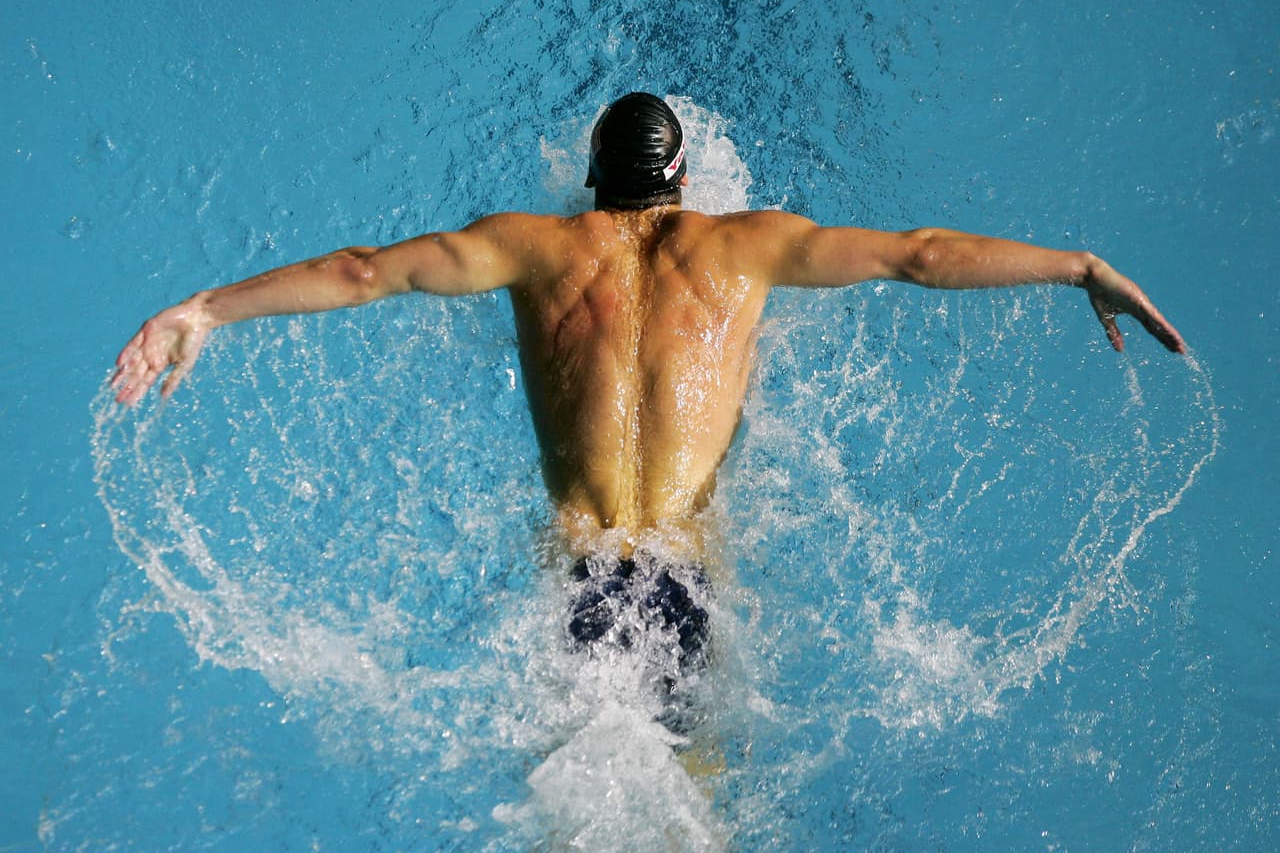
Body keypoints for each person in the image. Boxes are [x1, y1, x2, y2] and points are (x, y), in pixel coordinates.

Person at [111, 93, 1186, 698]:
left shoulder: (526, 247)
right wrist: (1078, 265)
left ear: (589, 179)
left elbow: (360, 271)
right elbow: (919, 253)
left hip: (576, 578)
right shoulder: (748, 246)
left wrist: (201, 309)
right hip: (683, 576)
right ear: (682, 184)